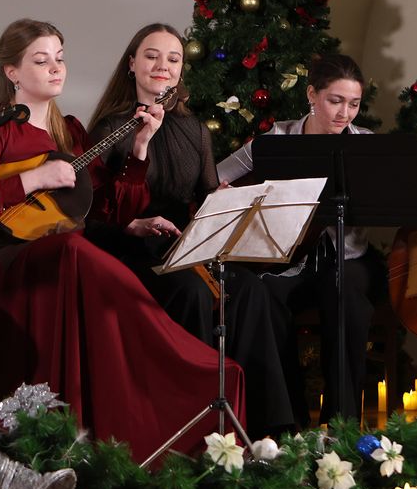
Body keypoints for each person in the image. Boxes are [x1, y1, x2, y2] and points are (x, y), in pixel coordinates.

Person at [0, 18, 245, 460]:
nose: (56, 68)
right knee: (75, 250)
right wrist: (33, 179)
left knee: (77, 250)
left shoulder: (69, 131)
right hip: (6, 263)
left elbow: (106, 211)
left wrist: (141, 148)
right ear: (12, 71)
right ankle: (167, 362)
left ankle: (156, 407)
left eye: (60, 58)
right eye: (41, 60)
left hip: (62, 260)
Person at [87, 24, 306, 436]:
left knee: (250, 290)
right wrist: (134, 225)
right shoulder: (109, 128)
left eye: (173, 59)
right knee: (190, 290)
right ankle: (195, 427)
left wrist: (226, 202)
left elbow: (206, 199)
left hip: (182, 249)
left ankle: (266, 432)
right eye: (151, 56)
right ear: (131, 64)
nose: (163, 66)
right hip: (130, 250)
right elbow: (93, 217)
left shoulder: (194, 131)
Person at [216, 54, 417, 422]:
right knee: (265, 297)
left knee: (346, 296)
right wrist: (229, 195)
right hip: (290, 260)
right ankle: (285, 421)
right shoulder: (276, 140)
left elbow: (398, 209)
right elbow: (218, 177)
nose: (345, 114)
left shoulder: (367, 144)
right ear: (311, 94)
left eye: (353, 104)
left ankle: (341, 423)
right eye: (335, 101)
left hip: (349, 259)